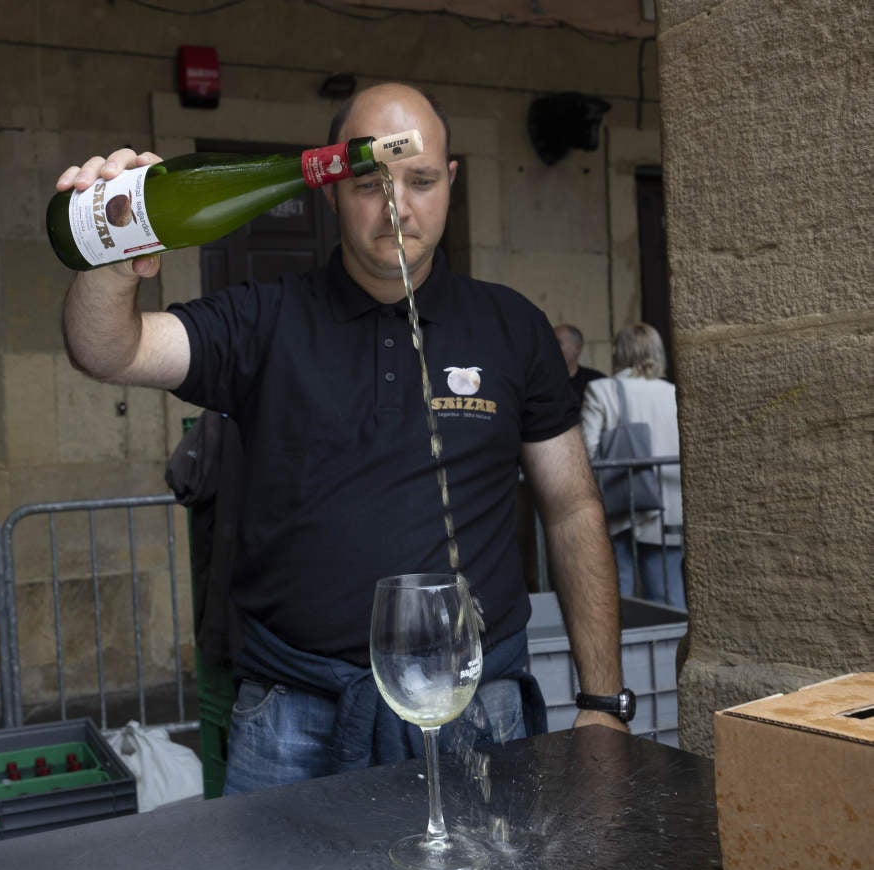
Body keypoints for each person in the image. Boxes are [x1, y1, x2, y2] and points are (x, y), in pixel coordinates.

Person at [56, 82, 630, 794]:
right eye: (369, 183)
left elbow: (572, 507)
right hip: (293, 717)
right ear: (331, 188)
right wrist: (110, 259)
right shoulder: (263, 322)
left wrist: (603, 704)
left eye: (419, 181)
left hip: (474, 709)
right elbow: (109, 350)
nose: (397, 205)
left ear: (449, 182)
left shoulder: (512, 328)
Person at [581, 323, 685, 609]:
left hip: (622, 503)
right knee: (669, 598)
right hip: (669, 508)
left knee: (618, 598)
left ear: (619, 352)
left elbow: (587, 451)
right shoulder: (673, 393)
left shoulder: (601, 390)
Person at [555, 323, 608, 400]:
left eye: (558, 342)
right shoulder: (541, 383)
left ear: (577, 348)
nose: (551, 348)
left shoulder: (597, 382)